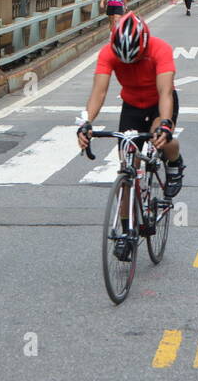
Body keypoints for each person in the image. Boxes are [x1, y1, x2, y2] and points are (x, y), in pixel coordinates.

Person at [77, 13, 184, 259]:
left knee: (162, 138)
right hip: (132, 106)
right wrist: (86, 123)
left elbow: (165, 92)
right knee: (127, 166)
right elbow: (99, 92)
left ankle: (175, 162)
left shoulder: (160, 49)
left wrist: (165, 125)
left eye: (135, 59)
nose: (131, 64)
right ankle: (126, 232)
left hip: (159, 103)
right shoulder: (107, 53)